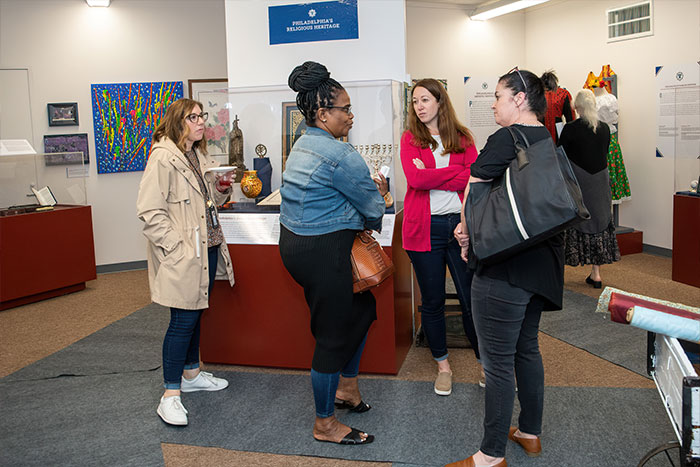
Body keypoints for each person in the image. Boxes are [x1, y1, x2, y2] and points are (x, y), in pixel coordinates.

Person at [449, 68, 565, 467]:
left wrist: (465, 234)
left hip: (504, 267)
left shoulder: (507, 138)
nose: (493, 103)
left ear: (519, 99)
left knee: (496, 360)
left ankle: (490, 455)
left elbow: (474, 190)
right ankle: (530, 432)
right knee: (526, 348)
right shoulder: (546, 138)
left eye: (498, 96)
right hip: (542, 265)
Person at [278, 61, 388, 446]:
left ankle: (347, 389)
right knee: (331, 336)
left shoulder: (303, 142)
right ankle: (324, 423)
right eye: (345, 108)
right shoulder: (342, 155)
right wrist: (376, 199)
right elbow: (374, 209)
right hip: (325, 253)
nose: (351, 115)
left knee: (363, 310)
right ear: (323, 114)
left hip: (297, 248)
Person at [136, 98, 236, 426]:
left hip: (205, 247)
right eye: (193, 117)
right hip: (185, 252)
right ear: (178, 121)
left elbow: (210, 201)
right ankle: (170, 395)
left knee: (195, 313)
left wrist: (222, 188)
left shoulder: (198, 154)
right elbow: (150, 212)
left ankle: (192, 375)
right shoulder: (163, 158)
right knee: (181, 320)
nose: (201, 122)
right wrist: (175, 247)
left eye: (202, 116)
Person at [400, 78, 483, 396]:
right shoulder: (411, 139)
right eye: (415, 102)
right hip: (425, 229)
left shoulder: (462, 137)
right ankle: (443, 367)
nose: (419, 106)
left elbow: (475, 178)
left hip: (461, 228)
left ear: (439, 101)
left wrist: (437, 177)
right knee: (432, 302)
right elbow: (416, 179)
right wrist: (456, 174)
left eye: (424, 100)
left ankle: (484, 364)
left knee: (470, 301)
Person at [559, 89, 620, 288]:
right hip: (601, 183)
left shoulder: (569, 129)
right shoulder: (604, 129)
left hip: (579, 182)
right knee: (600, 224)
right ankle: (596, 274)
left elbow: (561, 156)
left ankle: (561, 272)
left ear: (577, 107)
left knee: (578, 222)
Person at [541, 70, 574, 143]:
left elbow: (571, 119)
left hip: (553, 129)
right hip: (550, 128)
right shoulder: (564, 94)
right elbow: (571, 119)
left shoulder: (563, 94)